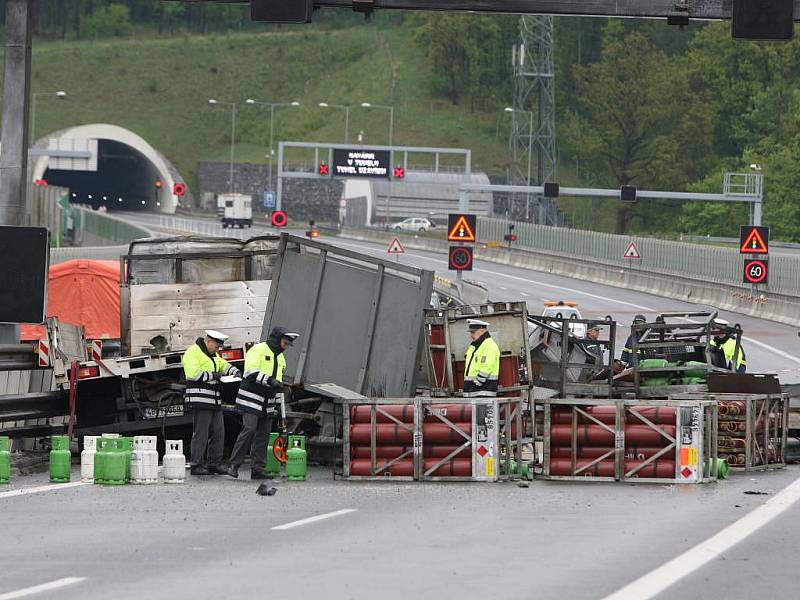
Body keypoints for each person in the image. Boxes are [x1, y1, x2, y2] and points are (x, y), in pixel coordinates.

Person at [227, 326, 299, 479]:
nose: (286, 347)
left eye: (288, 344)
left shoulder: (280, 357)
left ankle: (258, 468)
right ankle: (234, 464)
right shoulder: (258, 350)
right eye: (285, 343)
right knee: (249, 429)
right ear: (277, 339)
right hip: (251, 398)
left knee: (264, 435)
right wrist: (269, 380)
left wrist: (279, 393)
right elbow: (250, 372)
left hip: (268, 401)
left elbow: (278, 380)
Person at [182, 330, 242, 476]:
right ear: (208, 341)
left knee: (218, 432)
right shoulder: (193, 352)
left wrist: (234, 371)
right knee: (201, 433)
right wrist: (214, 375)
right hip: (200, 399)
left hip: (213, 400)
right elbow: (193, 374)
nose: (218, 350)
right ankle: (196, 464)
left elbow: (222, 365)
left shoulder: (212, 355)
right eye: (216, 346)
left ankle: (214, 463)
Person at [463, 319, 501, 397]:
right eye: (470, 332)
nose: (471, 335)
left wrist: (477, 382)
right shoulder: (475, 346)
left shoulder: (488, 345)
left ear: (482, 331)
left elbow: (487, 366)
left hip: (483, 390)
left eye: (473, 332)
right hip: (475, 390)